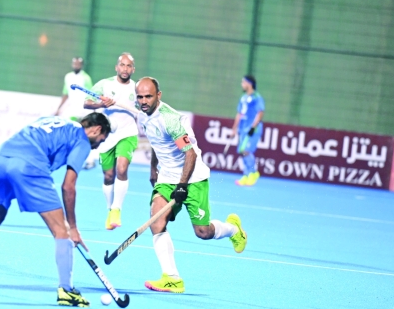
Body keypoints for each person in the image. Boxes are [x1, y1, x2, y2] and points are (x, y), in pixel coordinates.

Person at [0, 113, 111, 306]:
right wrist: (74, 228)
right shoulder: (83, 140)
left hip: (1, 157)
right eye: (101, 141)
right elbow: (68, 186)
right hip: (29, 164)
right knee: (62, 231)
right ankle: (67, 290)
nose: (97, 146)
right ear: (96, 129)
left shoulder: (53, 120)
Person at [135, 77, 247, 294]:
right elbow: (156, 143)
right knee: (156, 219)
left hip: (192, 176)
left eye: (148, 96)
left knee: (203, 232)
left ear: (159, 95)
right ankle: (172, 278)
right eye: (140, 97)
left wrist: (182, 186)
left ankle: (233, 229)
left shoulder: (171, 121)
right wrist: (153, 169)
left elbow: (190, 154)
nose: (144, 100)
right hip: (167, 176)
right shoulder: (142, 113)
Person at [84, 53, 139, 230]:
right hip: (108, 136)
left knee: (121, 169)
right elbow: (87, 103)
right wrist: (101, 105)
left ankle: (117, 209)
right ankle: (109, 209)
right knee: (108, 176)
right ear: (117, 67)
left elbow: (145, 109)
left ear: (133, 69)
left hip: (128, 133)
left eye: (129, 66)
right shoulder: (105, 84)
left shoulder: (137, 88)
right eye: (122, 65)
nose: (125, 69)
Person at [233, 75, 265, 186]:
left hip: (253, 129)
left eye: (243, 82)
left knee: (246, 151)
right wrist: (234, 129)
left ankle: (253, 173)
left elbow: (260, 112)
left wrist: (253, 127)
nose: (242, 84)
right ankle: (246, 175)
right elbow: (239, 114)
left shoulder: (256, 97)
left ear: (249, 84)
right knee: (242, 151)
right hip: (243, 129)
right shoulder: (243, 98)